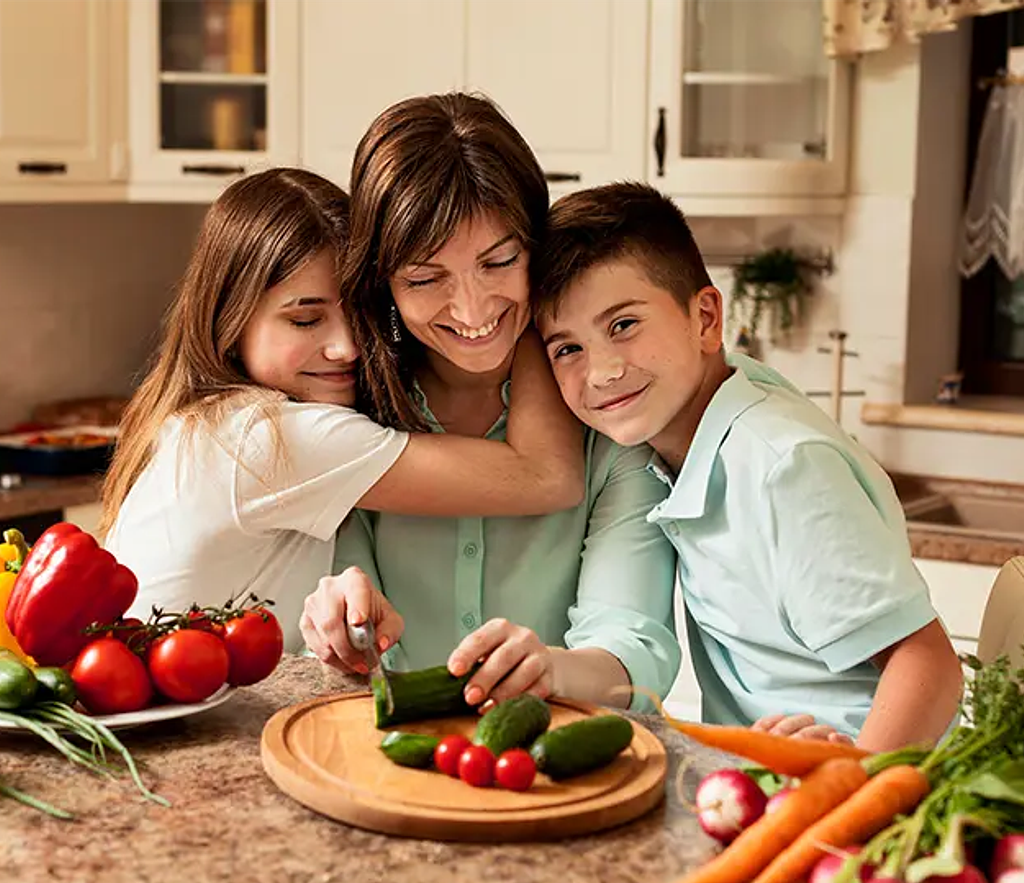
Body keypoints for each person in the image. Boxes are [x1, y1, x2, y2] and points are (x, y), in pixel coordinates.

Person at [530, 181, 964, 751]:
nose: (603, 371)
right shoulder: (691, 429)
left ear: (706, 319)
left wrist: (854, 779)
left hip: (858, 788)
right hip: (767, 774)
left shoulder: (781, 468)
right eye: (567, 349)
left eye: (624, 325)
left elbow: (927, 661)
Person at [300, 93, 679, 711]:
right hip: (383, 761)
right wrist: (333, 607)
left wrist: (553, 669)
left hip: (556, 768)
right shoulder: (349, 410)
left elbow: (637, 650)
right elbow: (336, 595)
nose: (473, 311)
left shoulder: (608, 414)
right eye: (425, 279)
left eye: (499, 261)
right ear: (384, 283)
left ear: (537, 247)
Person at [101, 167, 585, 652]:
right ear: (230, 319)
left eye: (357, 313)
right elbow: (545, 476)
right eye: (306, 319)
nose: (347, 346)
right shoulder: (267, 438)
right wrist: (517, 316)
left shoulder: (202, 421)